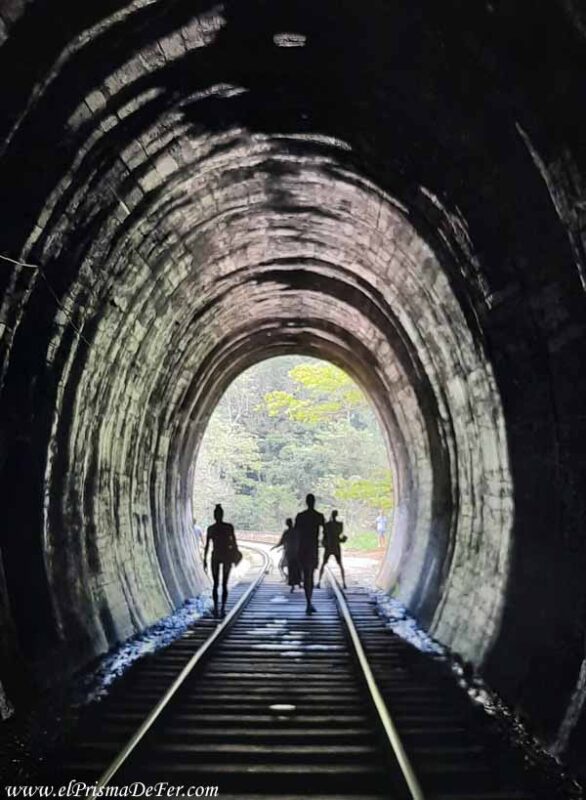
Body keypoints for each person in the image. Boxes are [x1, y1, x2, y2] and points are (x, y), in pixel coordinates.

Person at [203, 504, 239, 618]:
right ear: (222, 515)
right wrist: (235, 555)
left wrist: (204, 559)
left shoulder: (211, 528)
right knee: (224, 584)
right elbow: (234, 543)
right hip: (227, 556)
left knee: (216, 584)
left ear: (215, 516)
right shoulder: (229, 527)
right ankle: (222, 608)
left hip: (216, 556)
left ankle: (216, 608)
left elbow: (207, 546)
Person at [294, 493, 325, 614]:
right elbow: (325, 531)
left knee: (306, 575)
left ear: (306, 502)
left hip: (302, 549)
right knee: (310, 575)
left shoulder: (300, 516)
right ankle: (309, 602)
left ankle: (308, 602)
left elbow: (296, 533)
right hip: (313, 549)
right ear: (314, 502)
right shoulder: (319, 516)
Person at [317, 510, 347, 589]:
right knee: (340, 565)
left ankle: (319, 582)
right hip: (336, 547)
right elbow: (340, 538)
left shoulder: (327, 525)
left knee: (323, 564)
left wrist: (323, 543)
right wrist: (343, 539)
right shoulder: (339, 525)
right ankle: (344, 583)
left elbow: (324, 536)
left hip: (328, 547)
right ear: (336, 515)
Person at [272, 518, 301, 592]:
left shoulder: (286, 532)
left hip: (289, 553)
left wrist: (275, 547)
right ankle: (299, 582)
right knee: (298, 568)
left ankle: (292, 585)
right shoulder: (297, 531)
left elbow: (281, 542)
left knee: (290, 568)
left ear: (287, 524)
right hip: (298, 552)